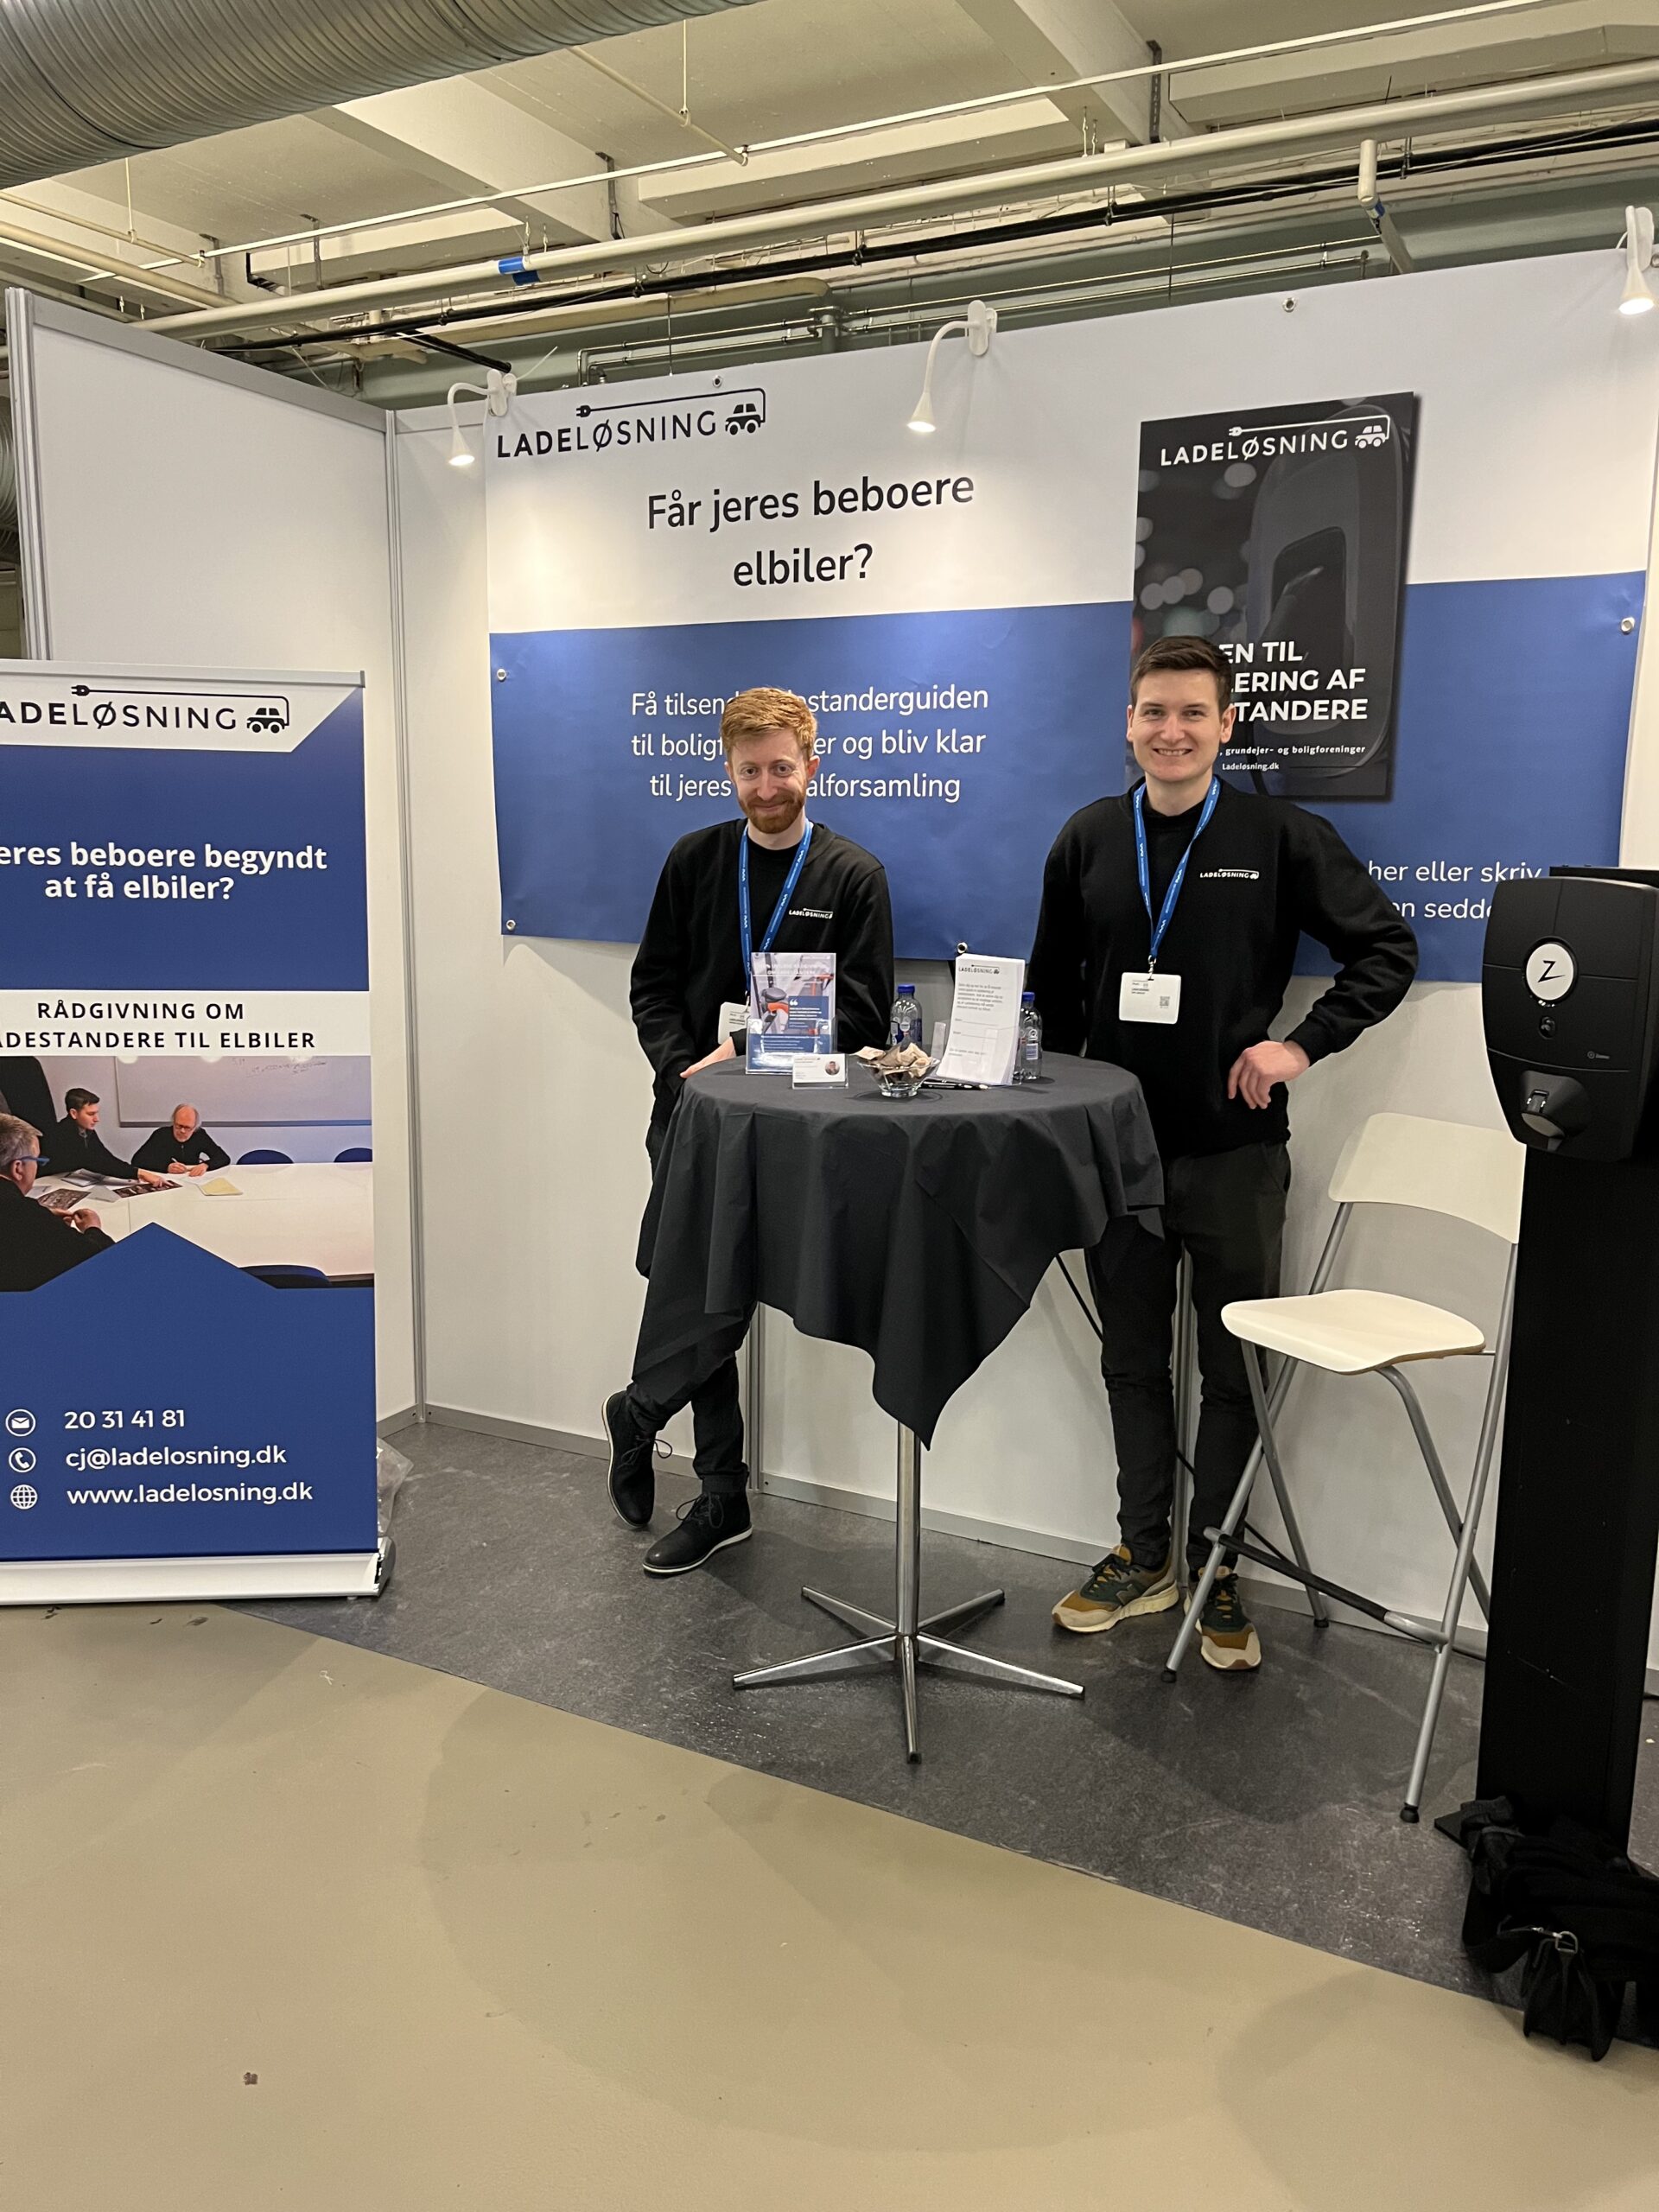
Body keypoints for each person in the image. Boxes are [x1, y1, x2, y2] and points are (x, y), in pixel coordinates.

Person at [1029, 635, 1417, 1673]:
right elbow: (1053, 993)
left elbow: (1387, 949)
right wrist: (1065, 1115)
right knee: (1132, 1361)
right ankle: (1145, 1551)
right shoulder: (1088, 839)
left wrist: (1300, 1044)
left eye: (1193, 713)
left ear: (1226, 724)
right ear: (1129, 723)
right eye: (1155, 711)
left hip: (1237, 1151)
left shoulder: (1279, 833)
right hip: (1119, 1158)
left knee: (1235, 1367)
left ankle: (1219, 1563)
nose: (1172, 731)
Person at [604, 685, 894, 1576]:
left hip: (796, 1129)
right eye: (749, 769)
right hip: (692, 1119)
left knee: (722, 1293)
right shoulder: (694, 860)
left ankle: (642, 1405)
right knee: (703, 1288)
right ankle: (722, 1493)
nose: (767, 784)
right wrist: (678, 1064)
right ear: (727, 772)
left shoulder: (854, 876)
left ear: (813, 763)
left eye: (781, 766)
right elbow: (651, 986)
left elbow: (863, 1014)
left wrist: (742, 1046)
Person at [0, 1115, 114, 1291]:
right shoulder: (24, 1215)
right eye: (37, 1160)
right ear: (18, 1168)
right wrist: (94, 1229)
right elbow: (96, 1258)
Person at [47, 1090, 168, 1187]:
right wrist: (138, 1173)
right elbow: (97, 1162)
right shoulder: (62, 1133)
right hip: (54, 1182)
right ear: (74, 1113)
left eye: (96, 1113)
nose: (96, 1119)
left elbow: (105, 1156)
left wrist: (135, 1171)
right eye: (90, 1114)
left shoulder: (87, 1130)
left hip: (71, 1180)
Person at [131, 1104, 230, 1178]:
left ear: (195, 1127)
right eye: (179, 1126)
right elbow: (137, 1160)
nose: (182, 1131)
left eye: (187, 1128)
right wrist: (166, 1167)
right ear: (173, 1122)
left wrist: (206, 1165)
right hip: (166, 1180)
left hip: (192, 1180)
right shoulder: (161, 1134)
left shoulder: (200, 1135)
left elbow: (223, 1157)